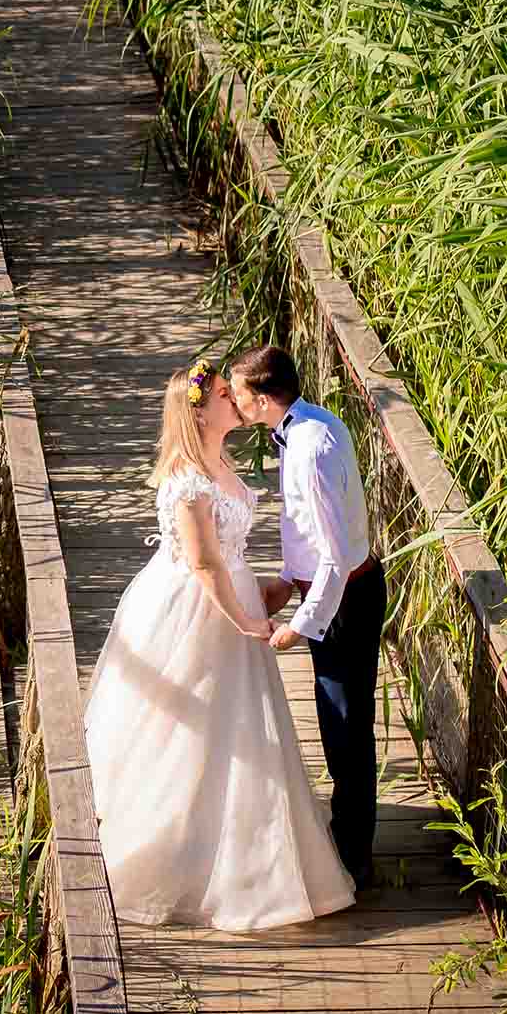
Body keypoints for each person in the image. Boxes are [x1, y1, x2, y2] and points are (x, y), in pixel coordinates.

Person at [82, 360, 356, 932]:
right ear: (199, 411)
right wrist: (243, 619)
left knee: (238, 726)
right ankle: (179, 847)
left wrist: (270, 589)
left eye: (234, 391)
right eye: (223, 394)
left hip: (240, 596)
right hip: (200, 608)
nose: (234, 399)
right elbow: (204, 562)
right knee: (192, 724)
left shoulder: (222, 460)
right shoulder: (186, 478)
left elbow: (228, 552)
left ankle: (246, 844)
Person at [228, 344, 384, 891]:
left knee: (346, 727)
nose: (236, 403)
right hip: (330, 589)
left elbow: (337, 555)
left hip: (345, 598)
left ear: (264, 397)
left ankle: (355, 856)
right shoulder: (308, 425)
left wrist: (303, 622)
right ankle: (348, 837)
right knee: (337, 721)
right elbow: (312, 537)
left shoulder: (311, 447)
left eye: (240, 394)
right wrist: (286, 584)